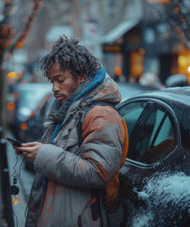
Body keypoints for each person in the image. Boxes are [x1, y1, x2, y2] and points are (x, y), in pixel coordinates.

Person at [13, 36, 126, 226]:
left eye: (60, 80)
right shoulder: (66, 111)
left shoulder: (101, 114)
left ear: (81, 75)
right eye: (52, 82)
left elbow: (99, 172)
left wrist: (43, 154)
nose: (54, 88)